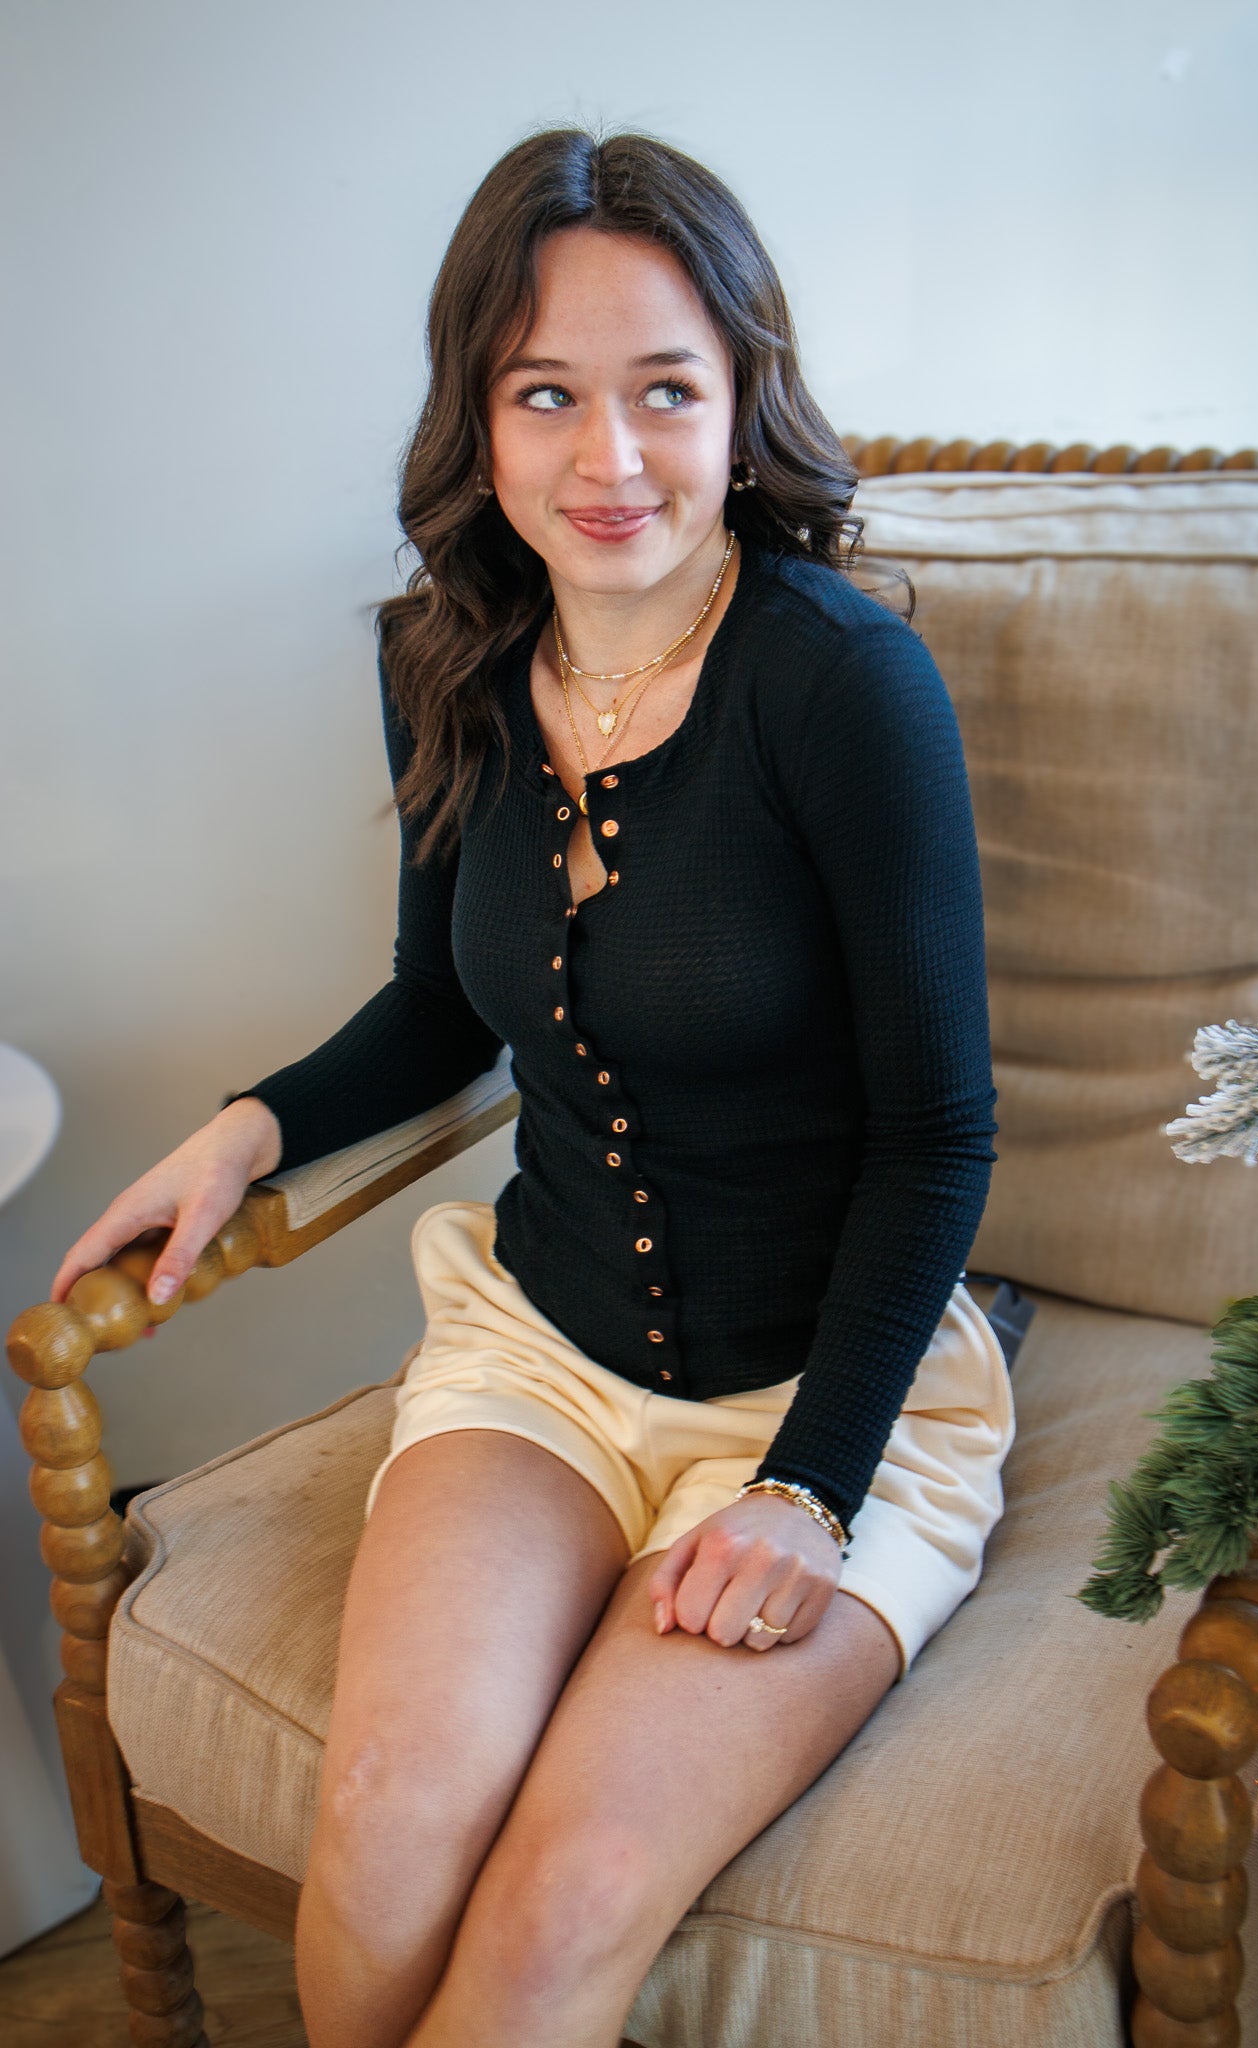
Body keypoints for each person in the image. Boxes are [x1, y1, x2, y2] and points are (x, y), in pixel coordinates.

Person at [51, 129, 1015, 2048]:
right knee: (389, 1822)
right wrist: (242, 1131)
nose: (610, 460)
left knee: (567, 1900)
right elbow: (439, 1009)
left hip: (834, 1397)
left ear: (742, 397)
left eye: (666, 390)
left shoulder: (844, 687)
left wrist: (805, 1494)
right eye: (543, 394)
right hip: (544, 1357)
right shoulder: (449, 658)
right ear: (476, 421)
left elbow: (937, 1133)